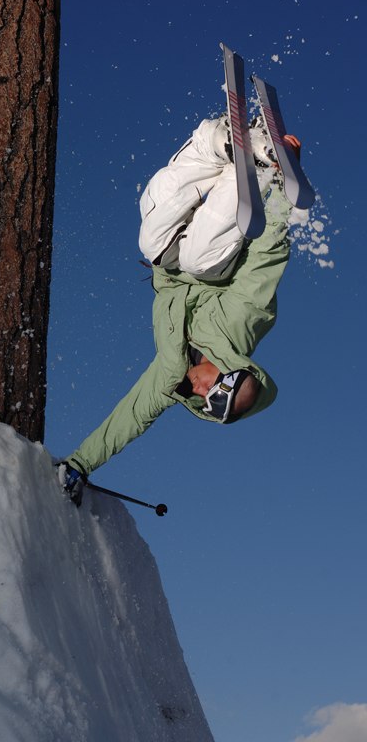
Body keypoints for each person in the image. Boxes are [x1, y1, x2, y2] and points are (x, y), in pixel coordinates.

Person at [60, 115, 302, 506]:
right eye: (217, 385)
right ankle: (258, 167)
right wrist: (281, 187)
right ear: (231, 370)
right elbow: (266, 260)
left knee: (151, 235)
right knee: (197, 258)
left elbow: (130, 417)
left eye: (209, 400)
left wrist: (80, 464)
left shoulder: (173, 378)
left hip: (169, 265)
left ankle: (216, 150)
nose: (203, 388)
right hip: (218, 254)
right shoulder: (239, 325)